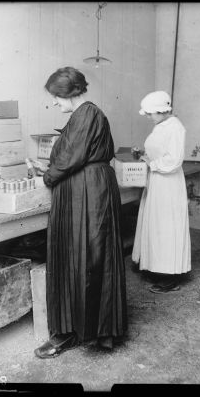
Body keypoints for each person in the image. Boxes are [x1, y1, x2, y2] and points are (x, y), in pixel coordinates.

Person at [33, 67, 128, 359]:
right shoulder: (84, 115)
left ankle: (74, 331)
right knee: (87, 257)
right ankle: (88, 328)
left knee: (86, 257)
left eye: (56, 96)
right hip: (85, 190)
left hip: (87, 193)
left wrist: (47, 176)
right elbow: (73, 155)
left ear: (69, 93)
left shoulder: (87, 114)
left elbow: (69, 159)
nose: (54, 102)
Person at [132, 91, 191, 294]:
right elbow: (159, 152)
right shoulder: (161, 126)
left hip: (168, 183)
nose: (149, 117)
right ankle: (156, 267)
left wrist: (152, 163)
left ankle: (169, 277)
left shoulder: (175, 127)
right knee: (155, 225)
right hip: (157, 180)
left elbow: (174, 160)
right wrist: (144, 155)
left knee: (166, 228)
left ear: (161, 110)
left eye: (150, 113)